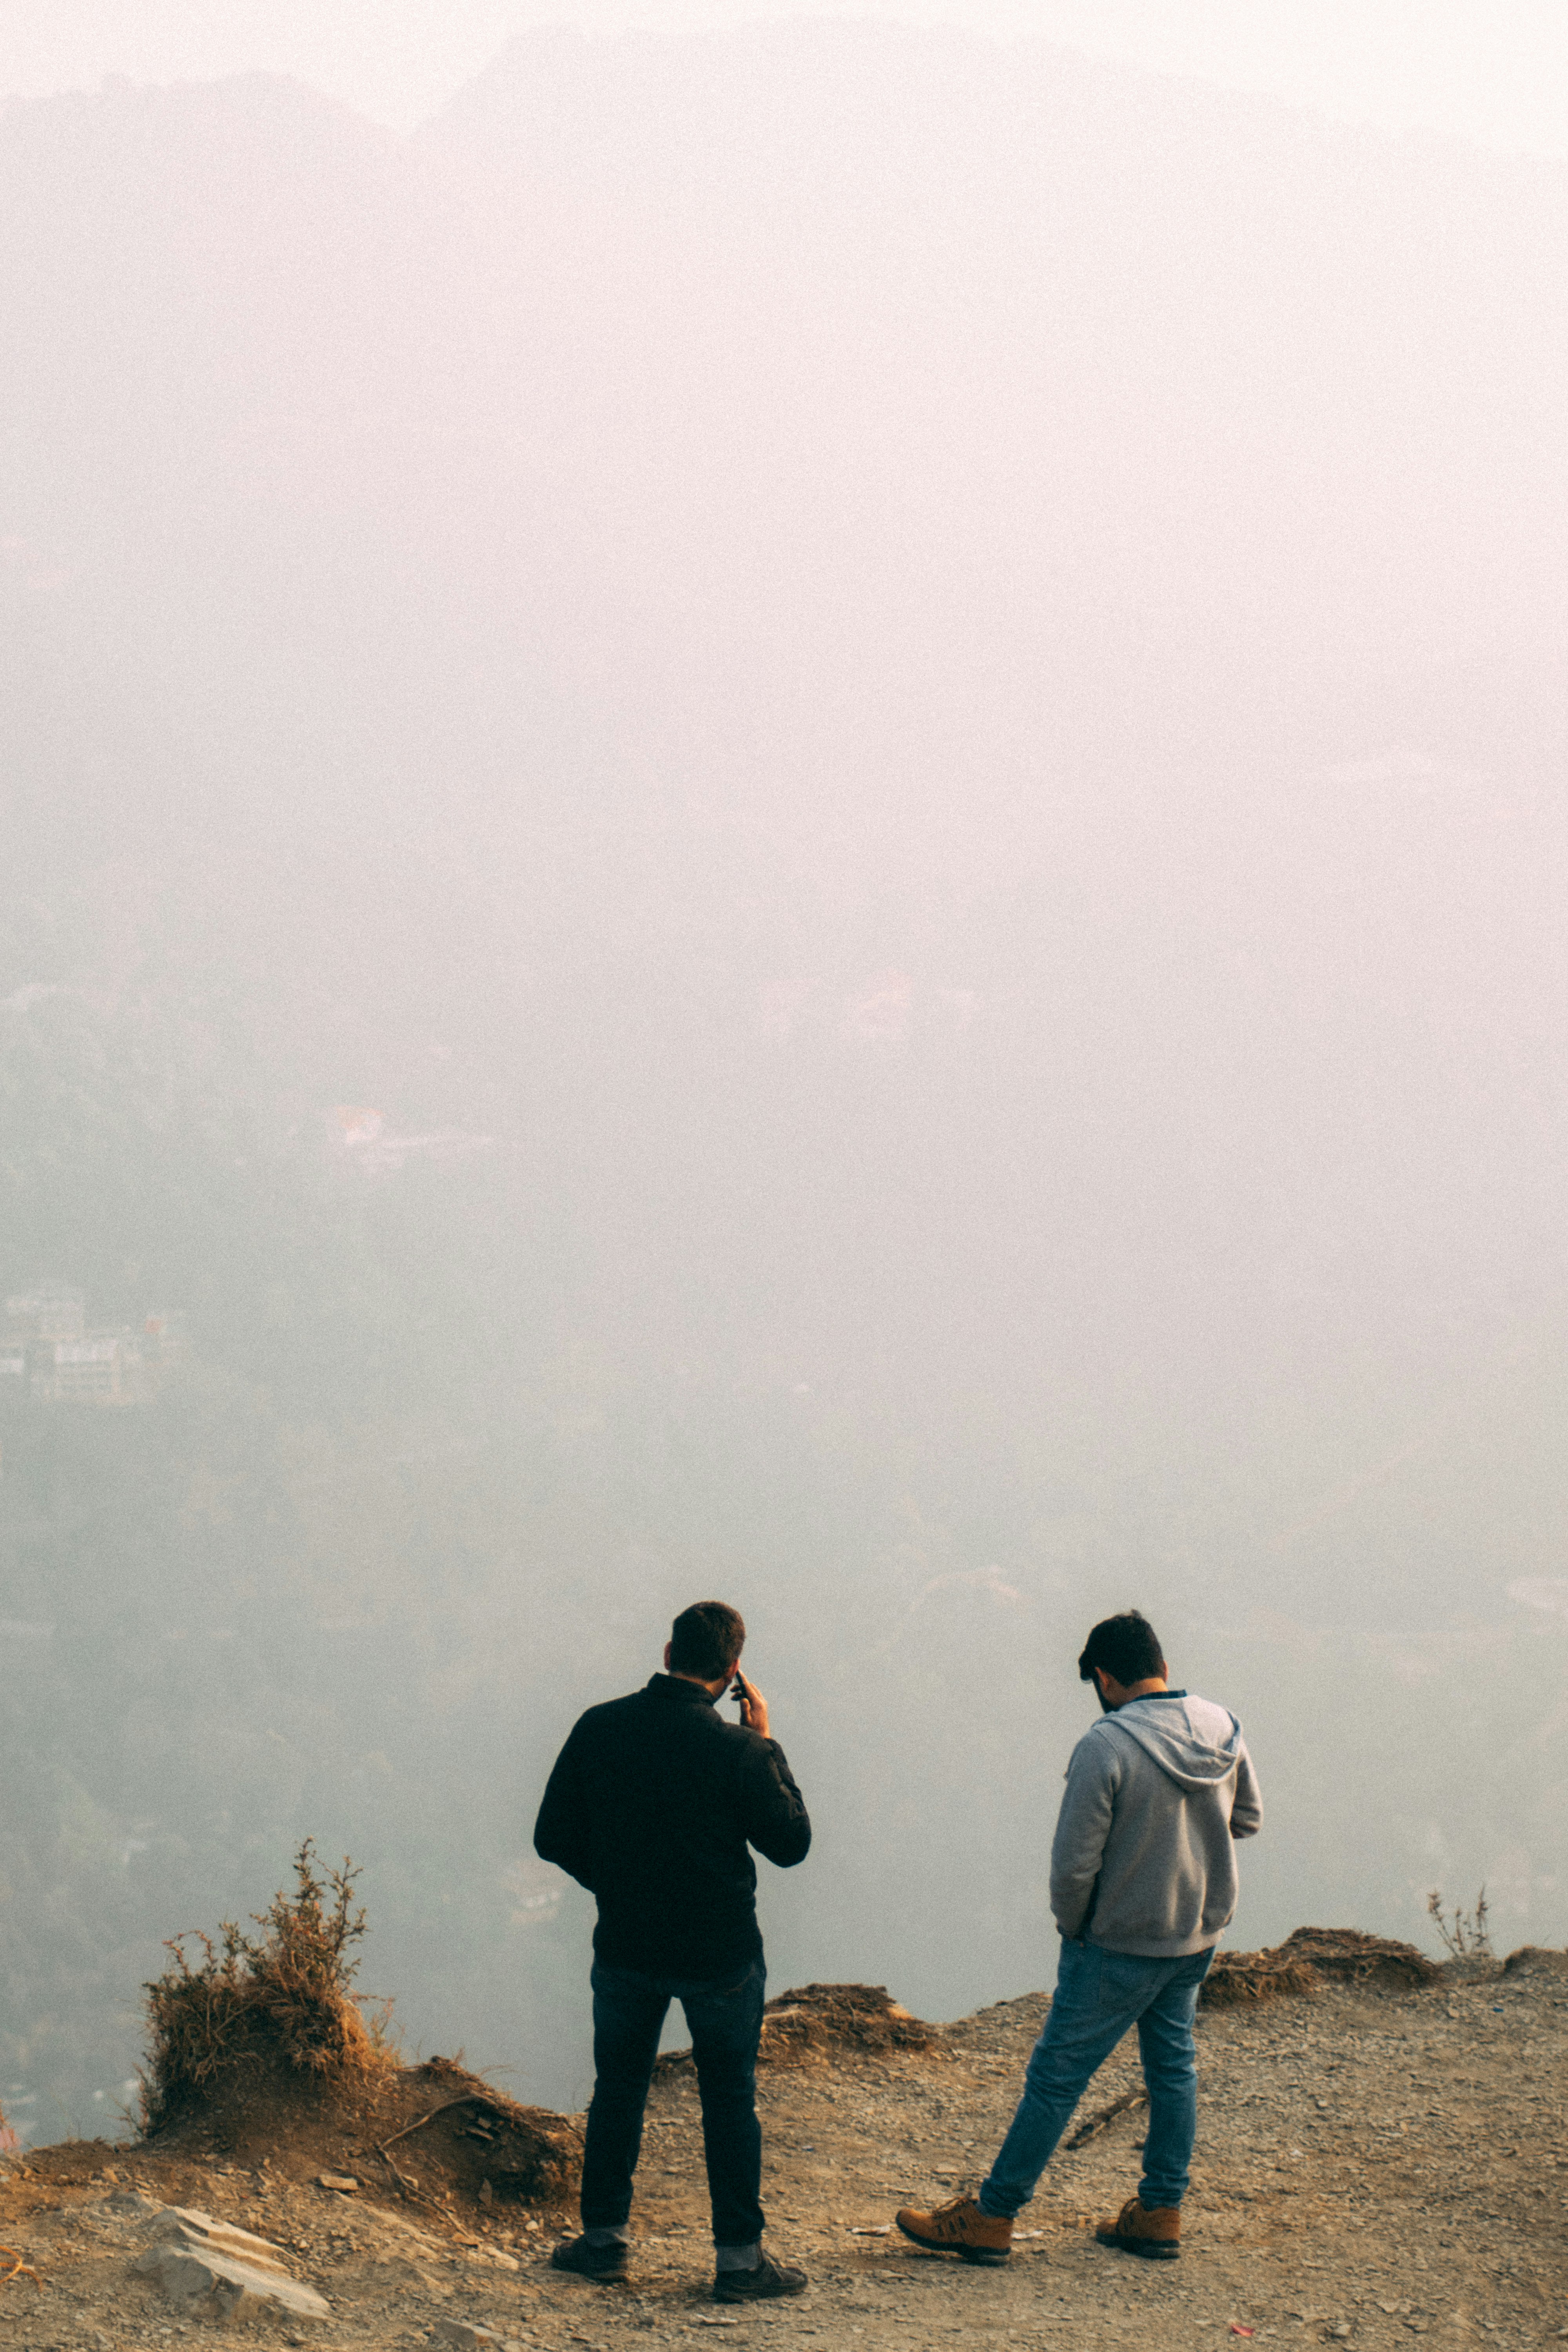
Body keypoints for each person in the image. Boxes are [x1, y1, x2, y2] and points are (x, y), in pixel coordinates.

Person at [896, 1609, 1262, 2265]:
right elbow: (1248, 1818)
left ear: (1104, 1678)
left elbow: (1074, 1867)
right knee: (1173, 2069)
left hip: (1117, 1943)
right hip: (1194, 1937)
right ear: (1163, 1667)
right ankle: (1159, 2212)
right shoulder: (1220, 1725)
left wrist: (1077, 1928)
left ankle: (992, 2216)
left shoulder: (1106, 1745)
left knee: (1056, 2079)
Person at [534, 1600, 812, 2302]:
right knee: (727, 2101)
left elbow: (552, 1835)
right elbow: (792, 1845)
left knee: (619, 2091)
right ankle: (739, 2261)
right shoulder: (740, 1752)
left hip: (626, 1945)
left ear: (666, 1654)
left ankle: (603, 2243)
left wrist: (615, 1884)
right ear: (731, 1675)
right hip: (720, 1955)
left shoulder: (600, 1727)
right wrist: (768, 1742)